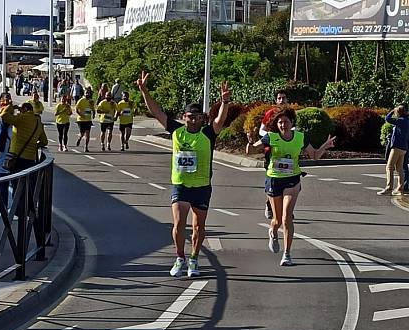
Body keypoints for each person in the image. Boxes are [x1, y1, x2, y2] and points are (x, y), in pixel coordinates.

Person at [137, 70, 230, 277]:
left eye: (197, 117)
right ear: (184, 117)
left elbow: (220, 121)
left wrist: (225, 102)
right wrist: (144, 91)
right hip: (181, 184)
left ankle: (194, 259)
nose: (193, 121)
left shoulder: (208, 134)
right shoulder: (177, 131)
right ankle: (180, 257)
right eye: (190, 117)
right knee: (179, 224)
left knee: (199, 227)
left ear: (202, 118)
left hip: (202, 186)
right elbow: (157, 112)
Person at [247, 107, 335, 266]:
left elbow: (314, 155)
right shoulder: (270, 137)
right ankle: (273, 231)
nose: (283, 125)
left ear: (291, 122)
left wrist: (325, 146)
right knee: (277, 220)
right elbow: (251, 150)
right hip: (274, 179)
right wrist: (249, 140)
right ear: (276, 124)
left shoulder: (300, 137)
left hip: (292, 179)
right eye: (280, 122)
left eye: (286, 122)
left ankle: (287, 254)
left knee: (287, 217)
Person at [252, 89, 289, 220]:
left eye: (283, 98)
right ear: (275, 100)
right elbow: (262, 131)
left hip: (288, 153)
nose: (281, 100)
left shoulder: (291, 114)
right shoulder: (270, 113)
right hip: (271, 152)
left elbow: (294, 130)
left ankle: (286, 208)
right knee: (274, 181)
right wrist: (270, 137)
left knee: (288, 180)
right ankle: (269, 203)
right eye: (279, 98)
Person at [0, 101, 48, 173]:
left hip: (17, 156)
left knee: (15, 180)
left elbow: (3, 115)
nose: (18, 112)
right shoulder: (39, 123)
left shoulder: (21, 118)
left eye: (19, 109)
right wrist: (35, 145)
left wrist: (12, 107)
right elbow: (44, 141)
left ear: (25, 109)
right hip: (31, 158)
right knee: (27, 182)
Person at [378, 105, 409, 196]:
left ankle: (389, 188)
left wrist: (392, 111)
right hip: (404, 148)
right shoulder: (407, 121)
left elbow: (387, 118)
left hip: (396, 147)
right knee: (399, 169)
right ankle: (400, 188)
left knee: (389, 167)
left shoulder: (400, 121)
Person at [75, 87, 95, 152]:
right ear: (84, 93)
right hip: (81, 120)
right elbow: (76, 109)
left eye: (88, 93)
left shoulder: (91, 101)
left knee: (88, 134)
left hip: (88, 120)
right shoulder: (81, 100)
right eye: (86, 93)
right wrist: (81, 115)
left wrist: (94, 114)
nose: (87, 94)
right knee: (82, 134)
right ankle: (79, 138)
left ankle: (86, 147)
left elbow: (93, 109)